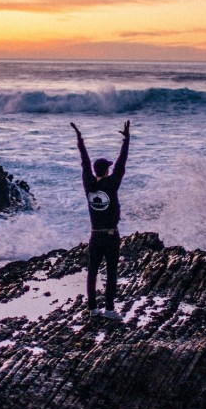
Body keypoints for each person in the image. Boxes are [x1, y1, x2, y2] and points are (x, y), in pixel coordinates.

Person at [70, 120, 130, 320]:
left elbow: (84, 162)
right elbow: (121, 164)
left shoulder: (88, 184)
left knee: (92, 272)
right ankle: (110, 310)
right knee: (111, 272)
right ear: (106, 170)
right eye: (109, 168)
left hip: (95, 235)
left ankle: (93, 309)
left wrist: (80, 140)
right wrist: (126, 140)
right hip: (111, 236)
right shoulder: (112, 184)